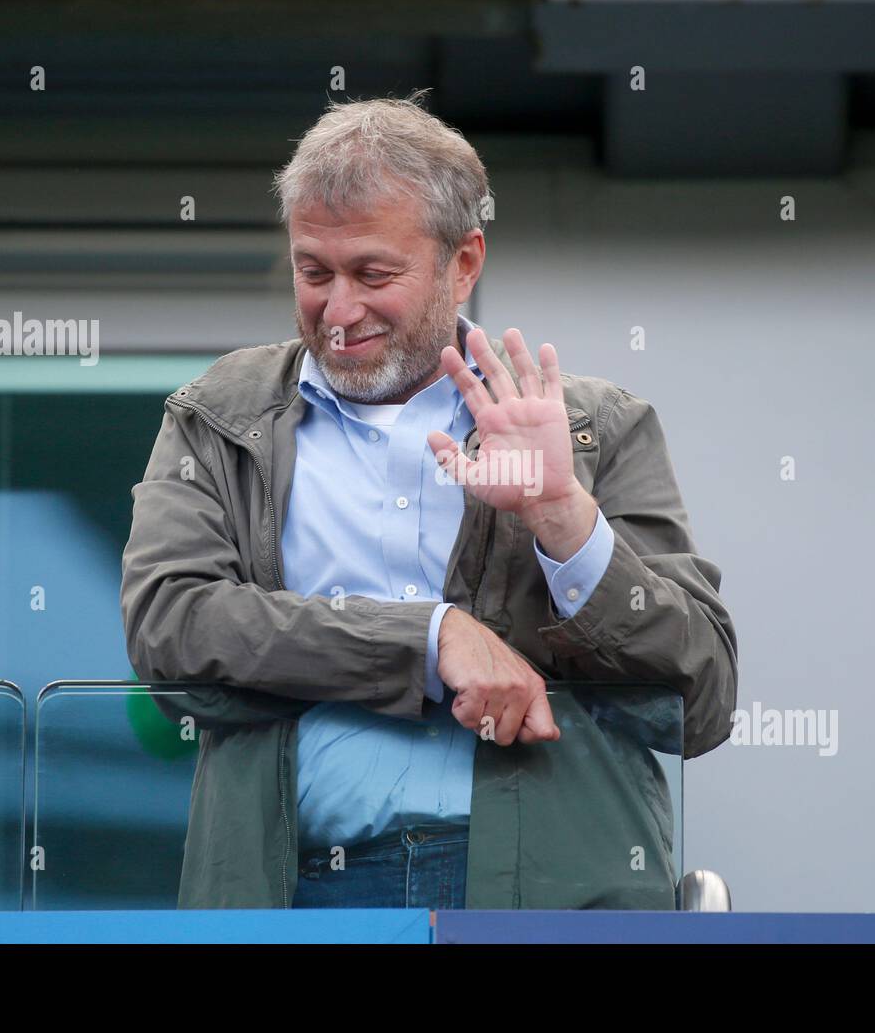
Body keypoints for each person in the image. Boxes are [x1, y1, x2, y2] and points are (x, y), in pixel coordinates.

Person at [120, 91, 738, 910]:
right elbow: (171, 623)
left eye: (374, 273)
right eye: (314, 272)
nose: (338, 313)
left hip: (540, 904)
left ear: (464, 262)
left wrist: (562, 518)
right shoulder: (215, 416)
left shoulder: (592, 430)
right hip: (291, 896)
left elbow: (702, 696)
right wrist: (426, 639)